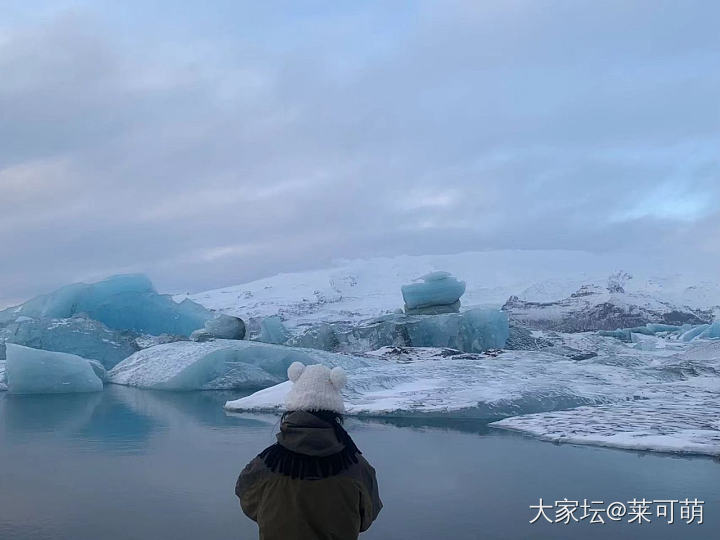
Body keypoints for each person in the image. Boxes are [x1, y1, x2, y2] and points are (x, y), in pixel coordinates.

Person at [235, 361, 382, 540]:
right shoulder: (356, 465)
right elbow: (367, 517)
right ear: (335, 413)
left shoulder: (268, 462)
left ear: (292, 410)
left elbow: (247, 500)